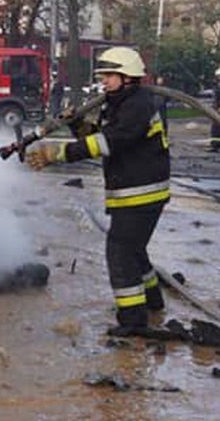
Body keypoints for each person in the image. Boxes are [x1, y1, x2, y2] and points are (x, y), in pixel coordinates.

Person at [26, 47, 170, 336]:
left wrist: (58, 153)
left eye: (108, 77)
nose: (103, 83)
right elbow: (98, 135)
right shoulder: (119, 103)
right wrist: (77, 123)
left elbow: (110, 142)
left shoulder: (138, 105)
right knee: (134, 249)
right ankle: (153, 304)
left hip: (141, 192)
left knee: (119, 252)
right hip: (133, 191)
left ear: (127, 77)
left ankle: (132, 321)